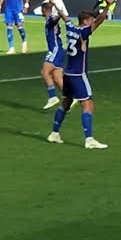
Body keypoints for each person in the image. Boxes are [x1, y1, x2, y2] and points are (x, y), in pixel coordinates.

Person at [47, 8, 111, 149]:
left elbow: (65, 18)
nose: (92, 21)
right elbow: (99, 21)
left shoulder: (71, 28)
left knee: (66, 102)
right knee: (88, 104)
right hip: (78, 75)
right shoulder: (83, 33)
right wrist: (107, 7)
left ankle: (54, 133)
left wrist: (57, 7)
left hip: (68, 74)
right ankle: (89, 139)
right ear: (86, 21)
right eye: (90, 19)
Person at [40, 1, 66, 109]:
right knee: (57, 77)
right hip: (59, 50)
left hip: (55, 49)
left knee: (45, 72)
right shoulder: (49, 20)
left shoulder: (50, 20)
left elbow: (56, 18)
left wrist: (57, 9)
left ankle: (52, 97)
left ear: (44, 10)